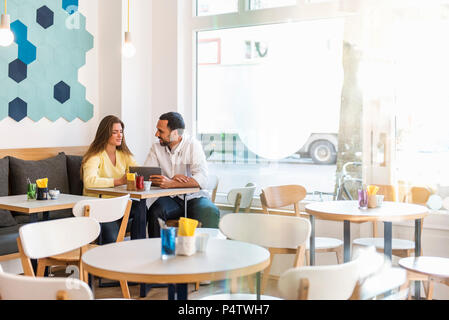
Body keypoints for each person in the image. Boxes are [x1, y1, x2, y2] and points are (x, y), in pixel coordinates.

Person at [145, 112, 220, 238]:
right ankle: (158, 251)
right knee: (155, 212)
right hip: (171, 198)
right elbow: (147, 176)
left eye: (160, 131)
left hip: (194, 198)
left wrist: (171, 183)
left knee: (210, 212)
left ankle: (207, 252)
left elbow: (202, 179)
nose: (156, 134)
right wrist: (169, 180)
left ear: (175, 133)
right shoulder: (156, 148)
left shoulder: (193, 145)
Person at [81, 115, 143, 244]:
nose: (119, 135)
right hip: (100, 206)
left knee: (140, 207)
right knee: (112, 239)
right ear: (105, 134)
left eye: (121, 132)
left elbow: (138, 171)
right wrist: (118, 181)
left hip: (119, 203)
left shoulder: (124, 155)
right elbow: (89, 181)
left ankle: (138, 246)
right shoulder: (94, 155)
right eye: (115, 132)